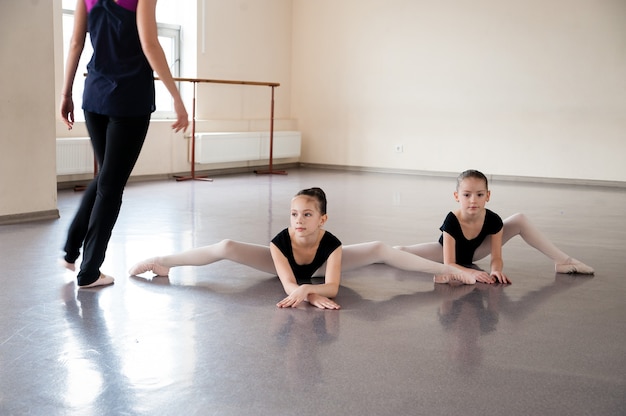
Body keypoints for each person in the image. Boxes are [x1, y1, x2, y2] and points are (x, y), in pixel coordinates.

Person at [129, 188, 476, 309]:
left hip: (321, 267)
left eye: (307, 215)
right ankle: (162, 262)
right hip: (284, 267)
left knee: (380, 249)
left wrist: (314, 288)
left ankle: (450, 269)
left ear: (322, 219)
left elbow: (334, 286)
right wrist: (310, 293)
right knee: (227, 245)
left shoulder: (332, 243)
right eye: (295, 214)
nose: (299, 220)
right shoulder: (280, 241)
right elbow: (290, 288)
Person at [59, 0, 189, 288]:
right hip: (129, 99)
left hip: (94, 96)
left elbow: (75, 43)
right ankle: (90, 271)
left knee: (107, 175)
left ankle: (70, 251)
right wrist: (177, 97)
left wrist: (66, 93)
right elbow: (150, 44)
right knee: (111, 184)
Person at [395, 169, 594, 284]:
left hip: (477, 252)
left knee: (519, 219)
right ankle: (374, 255)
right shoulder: (451, 221)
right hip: (446, 254)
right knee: (400, 252)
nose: (473, 200)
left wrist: (495, 271)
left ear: (488, 196)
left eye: (480, 195)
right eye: (467, 195)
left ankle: (563, 261)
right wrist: (473, 273)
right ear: (457, 196)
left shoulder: (493, 219)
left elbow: (496, 257)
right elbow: (450, 263)